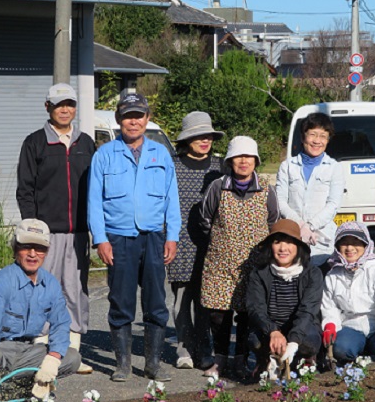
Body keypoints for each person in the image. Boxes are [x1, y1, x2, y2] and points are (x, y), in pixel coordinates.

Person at [88, 93, 181, 382]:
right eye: (128, 116)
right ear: (118, 119)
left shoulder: (160, 154)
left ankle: (152, 363)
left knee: (156, 302)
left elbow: (171, 199)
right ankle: (123, 364)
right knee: (121, 301)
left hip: (153, 237)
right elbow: (93, 201)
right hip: (118, 239)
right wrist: (101, 239)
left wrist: (172, 235)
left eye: (138, 115)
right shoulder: (104, 154)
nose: (133, 121)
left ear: (147, 118)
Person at [16, 83, 96, 374]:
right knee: (42, 291)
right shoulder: (35, 142)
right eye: (59, 104)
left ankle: (72, 352)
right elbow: (25, 189)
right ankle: (41, 350)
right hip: (45, 234)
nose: (65, 109)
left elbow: (96, 188)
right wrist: (32, 230)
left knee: (74, 291)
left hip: (77, 233)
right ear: (47, 106)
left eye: (70, 104)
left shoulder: (86, 143)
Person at [0, 219, 81, 402]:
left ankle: (26, 384)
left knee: (72, 358)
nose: (33, 254)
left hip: (28, 350)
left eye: (39, 248)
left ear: (46, 252)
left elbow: (61, 323)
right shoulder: (2, 281)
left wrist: (52, 357)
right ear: (15, 248)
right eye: (26, 247)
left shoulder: (50, 284)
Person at [199, 136, 279, 378]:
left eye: (248, 157)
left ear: (255, 161)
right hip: (220, 262)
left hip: (253, 265)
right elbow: (205, 218)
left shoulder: (266, 189)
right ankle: (220, 360)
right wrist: (222, 242)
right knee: (218, 315)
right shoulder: (218, 187)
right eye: (238, 157)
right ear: (230, 161)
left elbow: (273, 221)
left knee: (247, 314)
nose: (243, 161)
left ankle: (241, 360)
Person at [167, 112, 224, 371]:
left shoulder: (221, 166)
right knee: (181, 301)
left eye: (208, 136)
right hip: (179, 240)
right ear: (187, 139)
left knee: (206, 301)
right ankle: (184, 348)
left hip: (211, 242)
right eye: (198, 136)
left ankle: (204, 350)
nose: (204, 140)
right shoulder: (172, 165)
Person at [247, 219, 323, 378]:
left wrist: (293, 341)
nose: (283, 248)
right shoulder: (259, 273)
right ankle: (265, 361)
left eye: (289, 242)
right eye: (277, 242)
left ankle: (303, 361)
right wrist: (273, 331)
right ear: (270, 246)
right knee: (255, 340)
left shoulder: (312, 273)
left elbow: (308, 311)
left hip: (301, 327)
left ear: (298, 246)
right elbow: (255, 308)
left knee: (308, 342)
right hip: (272, 327)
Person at [321, 221, 375, 364]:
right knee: (341, 349)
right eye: (344, 243)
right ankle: (355, 354)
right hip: (351, 325)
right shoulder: (333, 275)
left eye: (356, 242)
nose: (350, 248)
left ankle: (372, 351)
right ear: (337, 247)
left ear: (366, 245)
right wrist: (330, 324)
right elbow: (329, 306)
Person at [276, 112, 345, 266]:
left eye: (322, 136)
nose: (317, 141)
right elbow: (281, 201)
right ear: (303, 137)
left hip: (323, 241)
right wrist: (300, 226)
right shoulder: (287, 166)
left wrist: (310, 226)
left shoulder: (334, 168)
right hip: (292, 237)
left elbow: (333, 204)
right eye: (312, 134)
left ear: (328, 140)